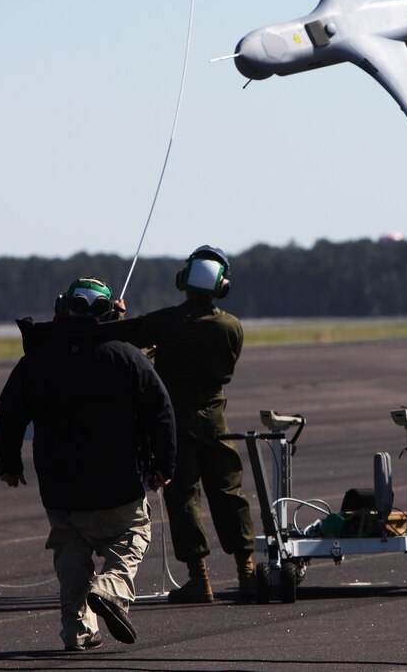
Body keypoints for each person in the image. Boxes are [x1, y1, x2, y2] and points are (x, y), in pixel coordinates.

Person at [0, 276, 177, 651]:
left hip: (59, 487)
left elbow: (10, 413)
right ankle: (110, 589)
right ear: (109, 312)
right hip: (116, 484)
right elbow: (161, 413)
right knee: (132, 535)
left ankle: (77, 631)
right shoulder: (128, 357)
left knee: (70, 552)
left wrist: (9, 463)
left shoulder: (36, 360)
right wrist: (164, 464)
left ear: (62, 309)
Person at [123, 245, 255, 603]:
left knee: (183, 496)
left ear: (184, 282)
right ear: (221, 286)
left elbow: (123, 336)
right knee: (229, 493)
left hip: (174, 422)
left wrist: (116, 314)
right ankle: (247, 573)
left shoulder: (164, 322)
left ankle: (200, 579)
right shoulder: (231, 327)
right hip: (215, 420)